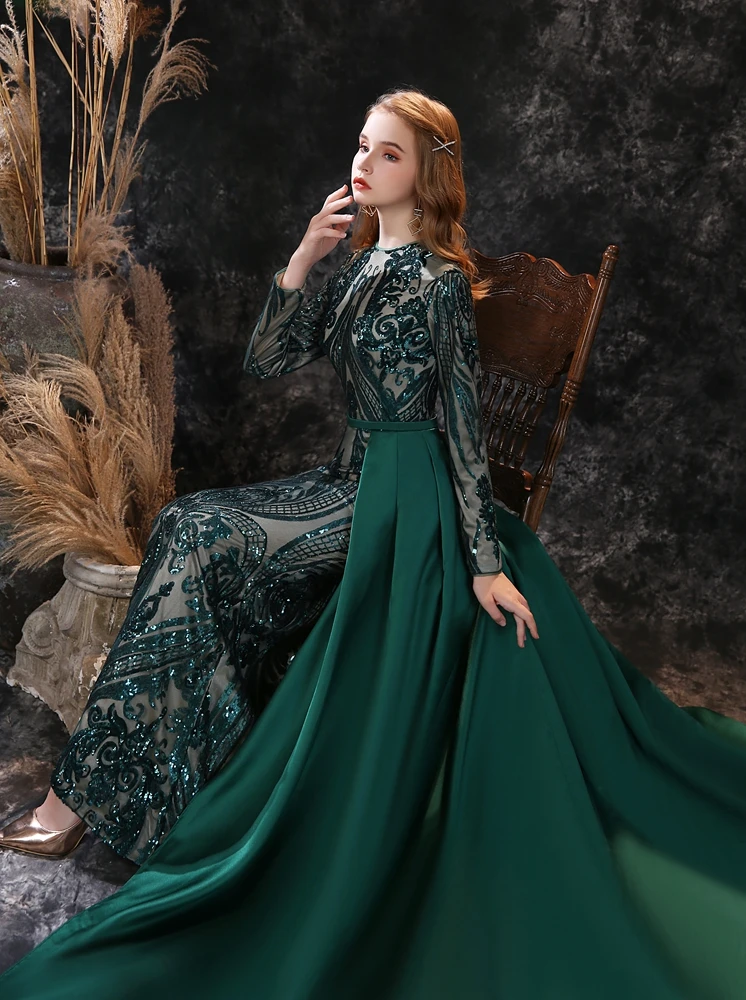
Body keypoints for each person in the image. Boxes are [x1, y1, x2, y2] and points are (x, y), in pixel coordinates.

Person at [2, 87, 746, 999]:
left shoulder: (439, 283)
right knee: (191, 528)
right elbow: (268, 360)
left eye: (388, 153)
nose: (363, 163)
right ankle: (142, 788)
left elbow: (462, 425)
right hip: (345, 478)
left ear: (427, 173)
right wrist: (302, 258)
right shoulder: (360, 266)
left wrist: (483, 562)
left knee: (198, 532)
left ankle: (85, 800)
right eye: (362, 145)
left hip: (404, 494)